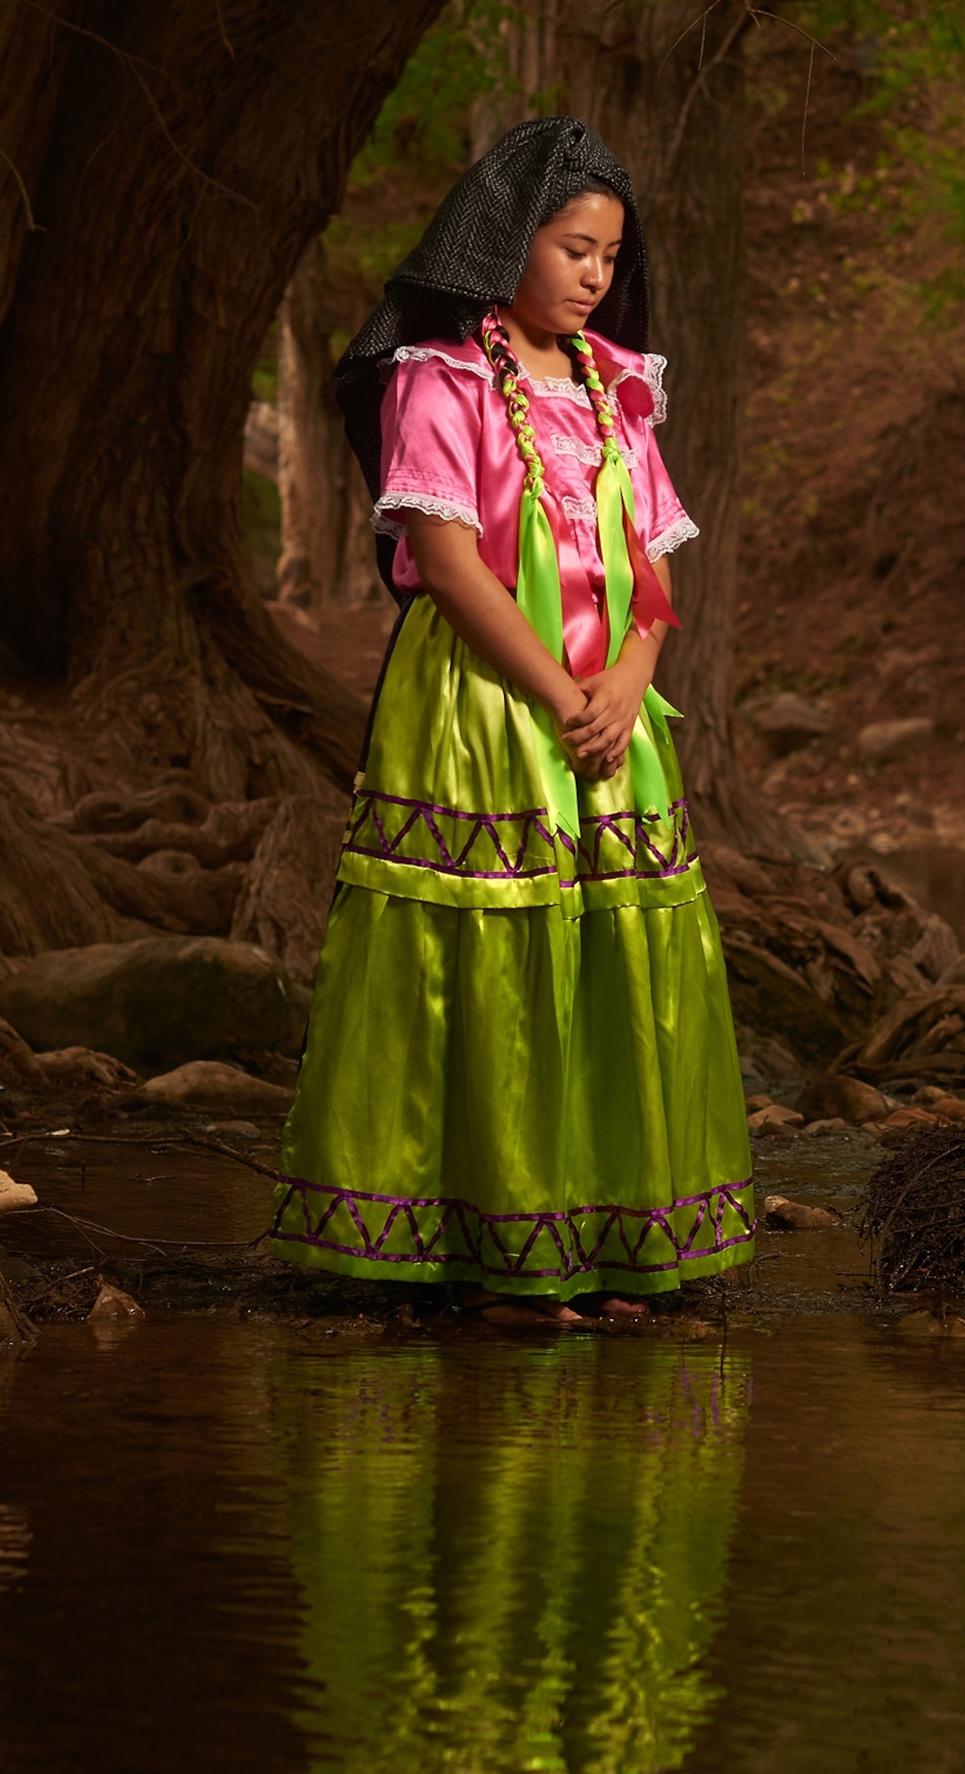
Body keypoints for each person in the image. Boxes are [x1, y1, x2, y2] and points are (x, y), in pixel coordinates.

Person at [268, 116, 755, 1325]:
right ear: (506, 245)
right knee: (487, 949)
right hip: (487, 709)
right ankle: (489, 1251)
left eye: (609, 257)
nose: (596, 275)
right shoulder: (440, 379)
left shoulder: (616, 390)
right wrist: (556, 689)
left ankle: (609, 1236)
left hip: (611, 716)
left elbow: (654, 571)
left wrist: (633, 678)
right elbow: (444, 556)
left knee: (615, 951)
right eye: (574, 248)